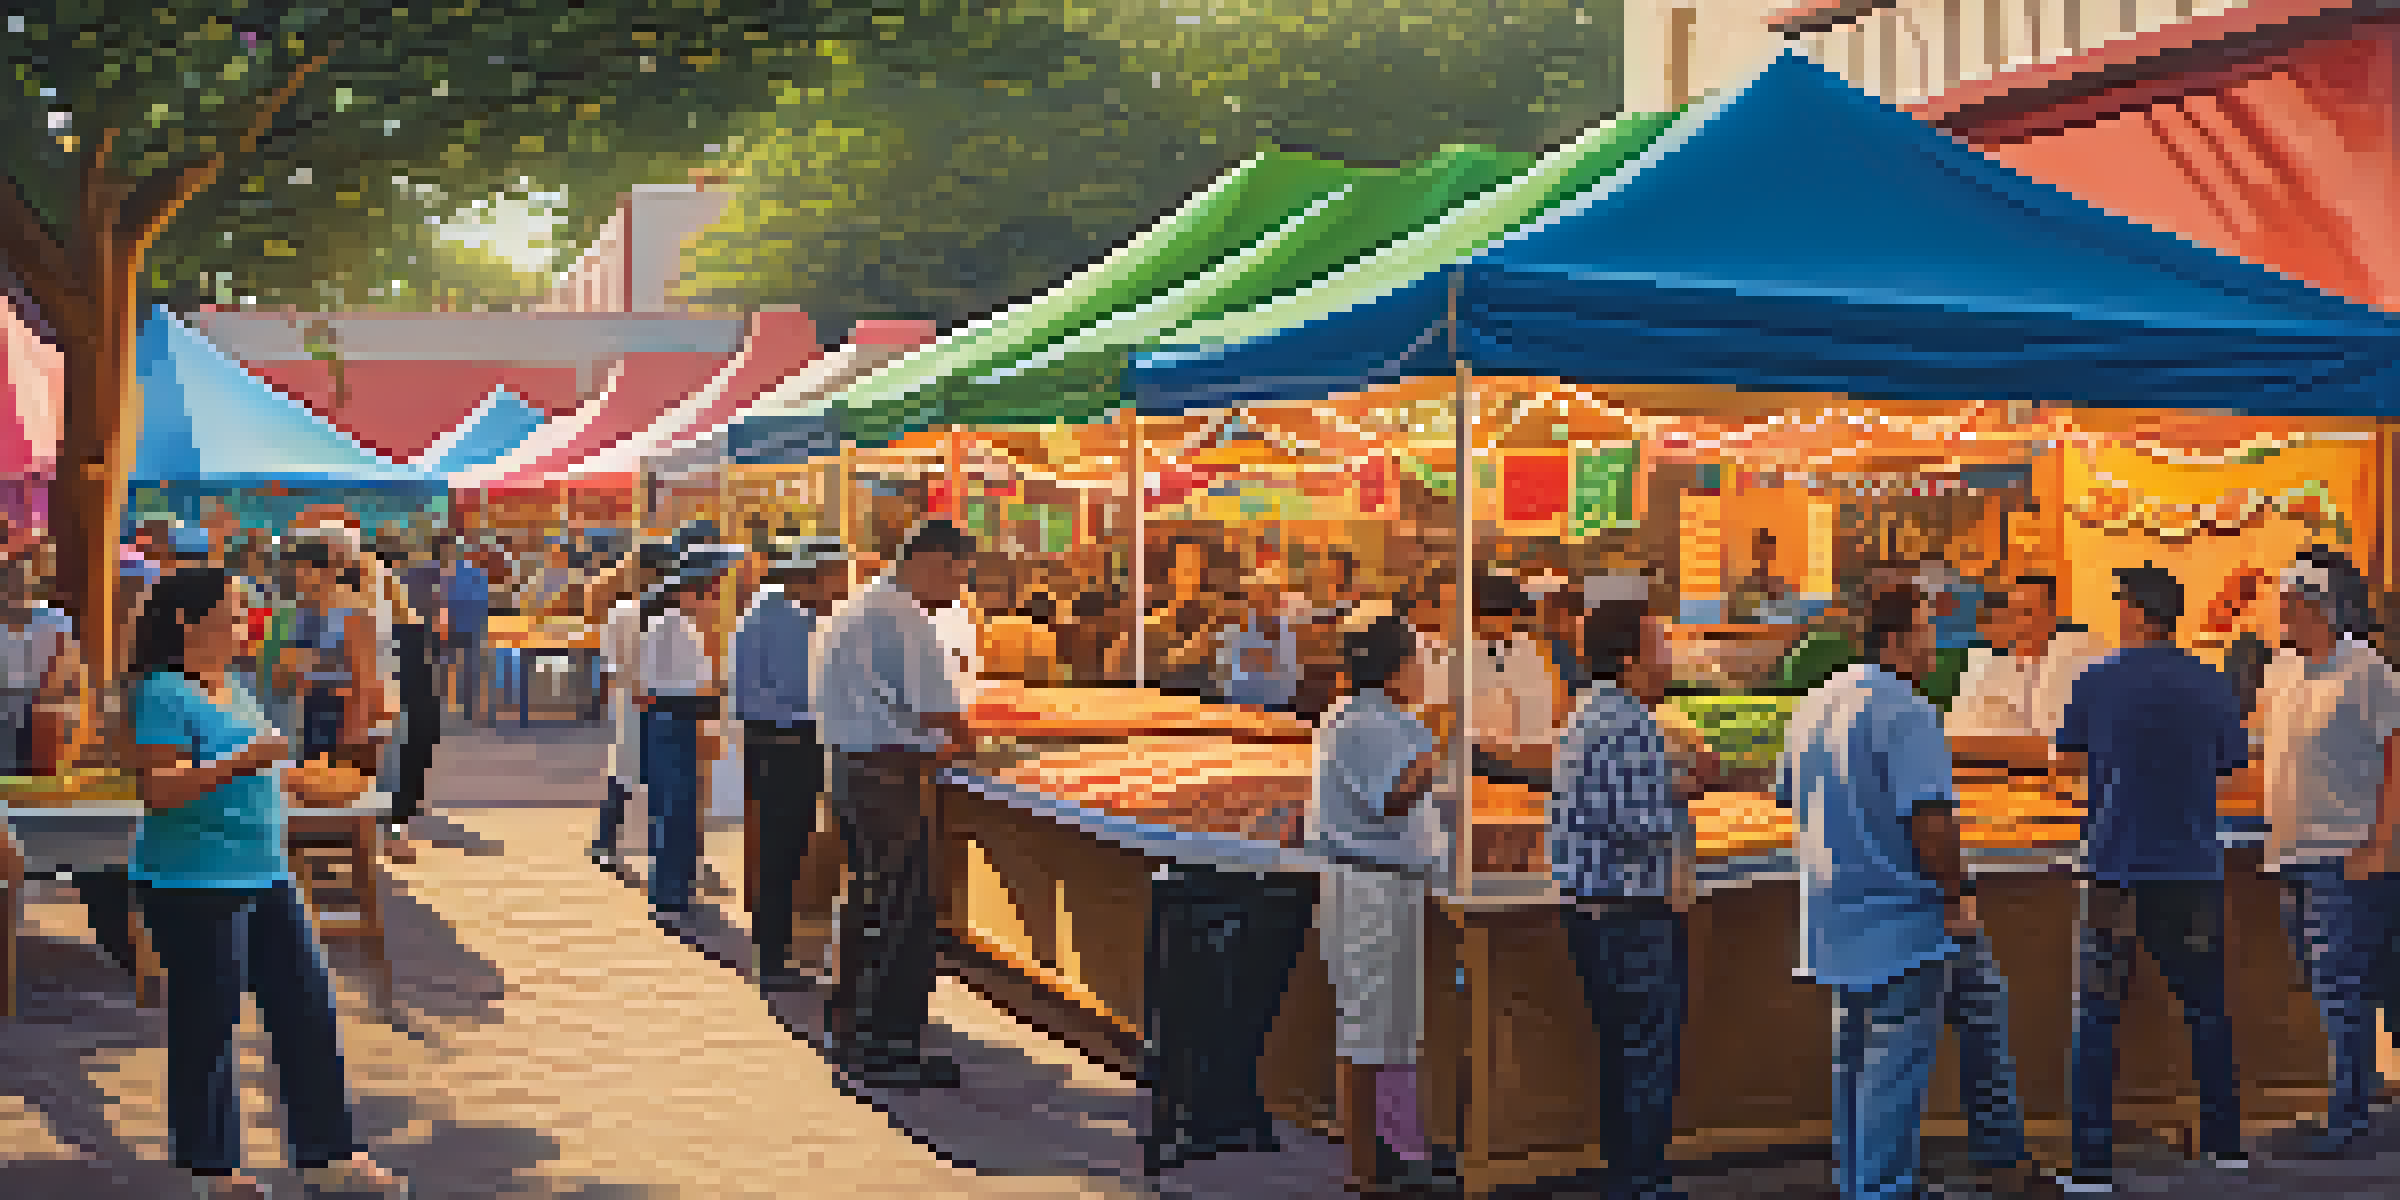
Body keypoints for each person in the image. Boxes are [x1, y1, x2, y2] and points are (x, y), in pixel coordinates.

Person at [125, 568, 408, 1199]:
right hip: (194, 880)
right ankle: (212, 1169)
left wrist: (295, 778)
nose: (244, 625)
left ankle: (330, 1155)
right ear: (188, 623)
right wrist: (244, 763)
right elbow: (161, 788)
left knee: (307, 1008)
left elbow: (261, 770)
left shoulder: (237, 690)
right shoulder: (164, 693)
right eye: (231, 614)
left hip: (266, 873)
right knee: (211, 1024)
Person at [2057, 564, 2251, 1190]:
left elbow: (2065, 765)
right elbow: (2233, 770)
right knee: (2207, 1012)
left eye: (2120, 602)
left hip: (2113, 869)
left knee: (2098, 1015)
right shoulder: (2212, 684)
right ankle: (2224, 1147)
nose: (2117, 612)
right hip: (2191, 868)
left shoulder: (2097, 680)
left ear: (2140, 612)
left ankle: (2090, 1164)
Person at [1780, 582, 1976, 1200]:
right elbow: (1932, 822)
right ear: (1898, 639)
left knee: (1853, 1068)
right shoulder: (1909, 711)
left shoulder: (1813, 704)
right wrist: (1956, 893)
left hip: (1834, 924)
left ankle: (1856, 1183)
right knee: (1893, 1076)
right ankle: (1881, 1190)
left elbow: (1785, 793)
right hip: (1901, 925)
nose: (1935, 646)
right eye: (1927, 631)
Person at [813, 519, 977, 1089]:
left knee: (870, 899)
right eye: (958, 574)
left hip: (857, 769)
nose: (959, 588)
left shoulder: (858, 608)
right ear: (931, 560)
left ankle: (854, 1028)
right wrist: (968, 741)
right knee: (898, 909)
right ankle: (887, 1041)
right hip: (888, 776)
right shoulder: (900, 617)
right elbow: (936, 708)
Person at [1550, 596, 1702, 1200]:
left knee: (1621, 1052)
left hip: (1592, 908)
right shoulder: (1629, 723)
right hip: (1631, 911)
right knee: (1646, 1055)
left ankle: (1627, 1174)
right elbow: (1637, 821)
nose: (1669, 659)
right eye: (1661, 645)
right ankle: (1642, 1181)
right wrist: (1688, 790)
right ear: (1633, 657)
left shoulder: (1591, 713)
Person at [2258, 548, 2400, 1158]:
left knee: (2343, 986)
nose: (2283, 615)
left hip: (2344, 854)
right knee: (2324, 982)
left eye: (2291, 606)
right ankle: (2359, 1095)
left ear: (2319, 608)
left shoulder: (2367, 671)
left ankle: (2349, 1118)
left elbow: (2396, 759)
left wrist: (2381, 842)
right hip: (2291, 854)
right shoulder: (2280, 672)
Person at [1308, 608, 1453, 1196]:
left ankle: (1398, 1147)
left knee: (1396, 1027)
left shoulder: (1389, 718)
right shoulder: (1359, 723)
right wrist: (1441, 740)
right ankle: (1364, 1166)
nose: (1423, 669)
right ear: (1393, 668)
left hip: (1392, 883)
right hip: (1366, 886)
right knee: (1367, 1027)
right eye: (1417, 659)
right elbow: (1393, 799)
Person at [734, 536, 844, 993]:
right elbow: (805, 691)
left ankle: (773, 952)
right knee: (783, 849)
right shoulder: (787, 621)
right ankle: (774, 958)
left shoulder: (768, 611)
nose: (841, 589)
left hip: (776, 740)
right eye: (837, 578)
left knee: (779, 848)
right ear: (812, 577)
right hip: (787, 742)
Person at [639, 534, 740, 927]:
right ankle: (669, 894)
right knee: (674, 808)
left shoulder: (680, 626)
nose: (717, 598)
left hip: (676, 719)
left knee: (677, 807)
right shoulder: (672, 627)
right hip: (673, 719)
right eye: (713, 588)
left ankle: (674, 889)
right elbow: (671, 685)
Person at [1947, 575, 2110, 745]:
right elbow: (1959, 735)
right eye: (2014, 612)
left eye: (2028, 612)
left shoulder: (2078, 656)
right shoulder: (1984, 667)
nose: (2021, 622)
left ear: (2052, 615)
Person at [592, 543, 668, 871]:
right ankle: (612, 843)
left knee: (626, 774)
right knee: (648, 777)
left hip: (633, 702)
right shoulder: (650, 613)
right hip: (649, 702)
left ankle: (607, 843)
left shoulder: (622, 613)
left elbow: (608, 669)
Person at [275, 540, 380, 769]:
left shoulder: (353, 609)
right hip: (310, 708)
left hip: (341, 708)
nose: (296, 578)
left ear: (326, 571)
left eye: (302, 571)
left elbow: (364, 677)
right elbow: (290, 666)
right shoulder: (304, 611)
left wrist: (354, 734)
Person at [1217, 564, 1302, 711]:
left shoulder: (1288, 630)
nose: (1267, 599)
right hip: (1238, 706)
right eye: (1261, 593)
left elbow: (1288, 682)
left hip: (1277, 708)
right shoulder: (1236, 627)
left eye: (1273, 593)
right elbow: (1227, 675)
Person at [443, 541, 490, 724]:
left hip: (456, 626)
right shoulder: (477, 573)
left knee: (454, 665)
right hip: (472, 626)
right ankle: (469, 706)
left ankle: (459, 703)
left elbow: (447, 600)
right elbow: (483, 600)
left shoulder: (451, 574)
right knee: (471, 667)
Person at [1728, 529, 1792, 624]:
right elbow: (1735, 617)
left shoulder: (1779, 584)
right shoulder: (1744, 585)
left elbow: (1787, 616)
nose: (1765, 553)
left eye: (1768, 548)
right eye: (1762, 548)